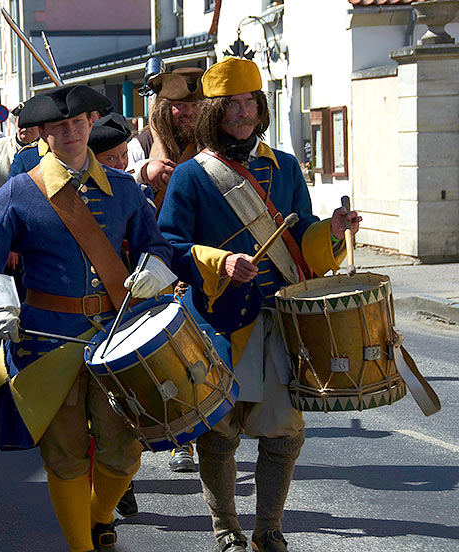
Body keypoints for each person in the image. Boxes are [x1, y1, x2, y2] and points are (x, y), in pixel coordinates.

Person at [0, 85, 176, 552]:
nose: (72, 131)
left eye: (78, 122)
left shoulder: (123, 190)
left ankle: (99, 514)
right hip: (46, 344)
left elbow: (156, 247)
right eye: (59, 126)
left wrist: (152, 271)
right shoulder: (20, 191)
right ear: (43, 134)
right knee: (66, 457)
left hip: (119, 338)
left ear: (89, 124)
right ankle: (81, 545)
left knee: (124, 452)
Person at [157, 57, 361, 552]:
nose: (245, 113)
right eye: (234, 105)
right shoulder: (190, 177)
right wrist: (221, 262)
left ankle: (268, 528)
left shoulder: (285, 167)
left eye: (251, 103)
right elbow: (168, 246)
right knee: (219, 433)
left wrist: (330, 234)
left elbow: (302, 239)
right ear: (215, 112)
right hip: (219, 322)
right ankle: (226, 527)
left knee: (284, 434)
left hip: (277, 320)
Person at [129, 68, 204, 213]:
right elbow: (120, 186)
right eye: (180, 105)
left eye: (195, 105)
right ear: (165, 108)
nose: (189, 112)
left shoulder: (214, 143)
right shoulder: (141, 145)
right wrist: (144, 172)